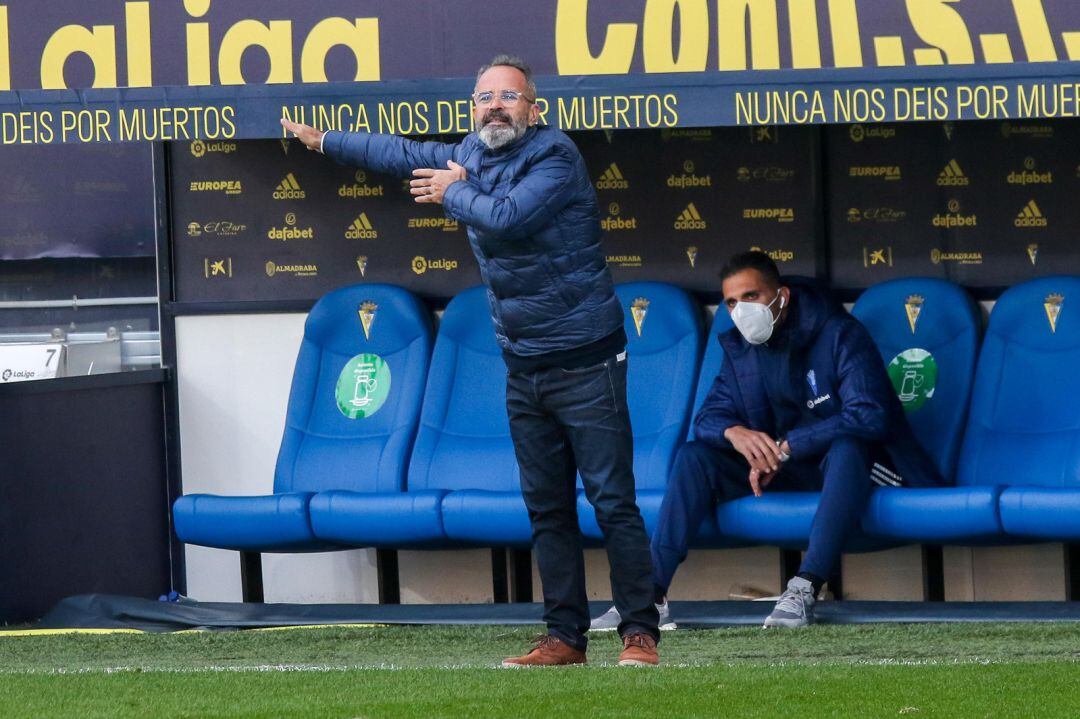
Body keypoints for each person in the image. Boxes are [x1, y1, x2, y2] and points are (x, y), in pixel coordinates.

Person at [281, 55, 660, 666]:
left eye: (508, 96)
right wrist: (325, 140)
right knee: (547, 508)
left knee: (612, 501)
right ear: (473, 109)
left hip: (587, 358)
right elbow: (399, 152)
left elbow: (507, 218)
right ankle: (565, 638)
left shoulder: (555, 155)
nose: (495, 106)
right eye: (484, 97)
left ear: (533, 108)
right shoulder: (470, 155)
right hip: (524, 363)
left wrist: (454, 190)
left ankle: (639, 632)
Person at [591, 251, 946, 631]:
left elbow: (868, 415)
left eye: (751, 296)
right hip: (787, 469)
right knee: (695, 456)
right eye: (731, 302)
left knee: (849, 447)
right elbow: (708, 418)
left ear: (782, 296)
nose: (742, 310)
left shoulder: (839, 333)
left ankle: (805, 587)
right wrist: (735, 433)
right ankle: (647, 596)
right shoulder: (741, 349)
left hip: (870, 469)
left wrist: (788, 446)